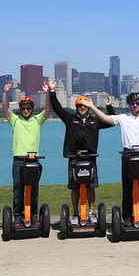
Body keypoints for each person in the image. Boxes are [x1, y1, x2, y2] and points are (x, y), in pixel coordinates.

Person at [82, 92, 139, 227]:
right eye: (132, 103)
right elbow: (105, 118)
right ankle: (127, 217)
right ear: (129, 104)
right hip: (128, 155)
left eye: (137, 102)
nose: (135, 105)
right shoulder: (123, 118)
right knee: (127, 187)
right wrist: (92, 106)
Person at [47, 77, 116, 225]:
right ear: (77, 107)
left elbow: (112, 122)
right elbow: (57, 108)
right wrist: (52, 91)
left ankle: (91, 212)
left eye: (85, 106)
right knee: (75, 187)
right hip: (74, 157)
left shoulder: (95, 121)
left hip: (90, 158)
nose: (82, 108)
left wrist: (109, 107)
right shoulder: (70, 119)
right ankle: (76, 213)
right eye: (80, 106)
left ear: (89, 107)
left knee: (91, 186)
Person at [1, 79, 51, 228]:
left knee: (34, 189)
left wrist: (48, 93)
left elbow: (48, 109)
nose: (26, 110)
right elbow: (5, 107)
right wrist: (6, 92)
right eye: (23, 108)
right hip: (19, 161)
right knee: (18, 189)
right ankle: (17, 215)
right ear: (21, 109)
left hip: (34, 160)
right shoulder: (15, 120)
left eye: (28, 108)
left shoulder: (37, 120)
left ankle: (34, 214)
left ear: (32, 109)